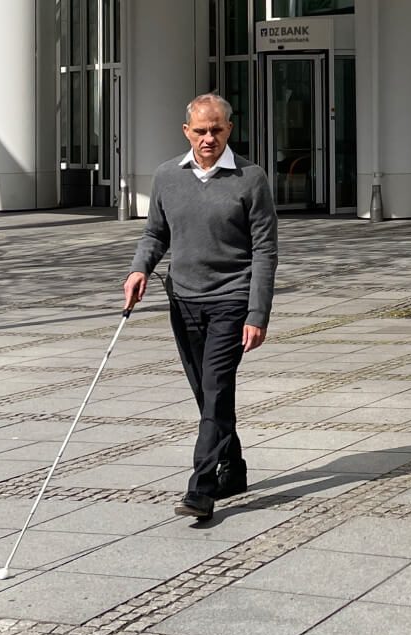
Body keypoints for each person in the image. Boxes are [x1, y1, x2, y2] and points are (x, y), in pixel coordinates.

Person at [124, 93, 278, 520]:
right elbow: (155, 234)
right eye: (200, 130)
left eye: (216, 130)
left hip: (231, 298)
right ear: (186, 131)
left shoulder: (252, 179)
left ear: (230, 129)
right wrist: (139, 270)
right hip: (185, 300)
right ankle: (235, 468)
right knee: (206, 394)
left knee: (215, 388)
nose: (208, 138)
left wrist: (257, 312)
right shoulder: (167, 177)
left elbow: (265, 251)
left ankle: (202, 488)